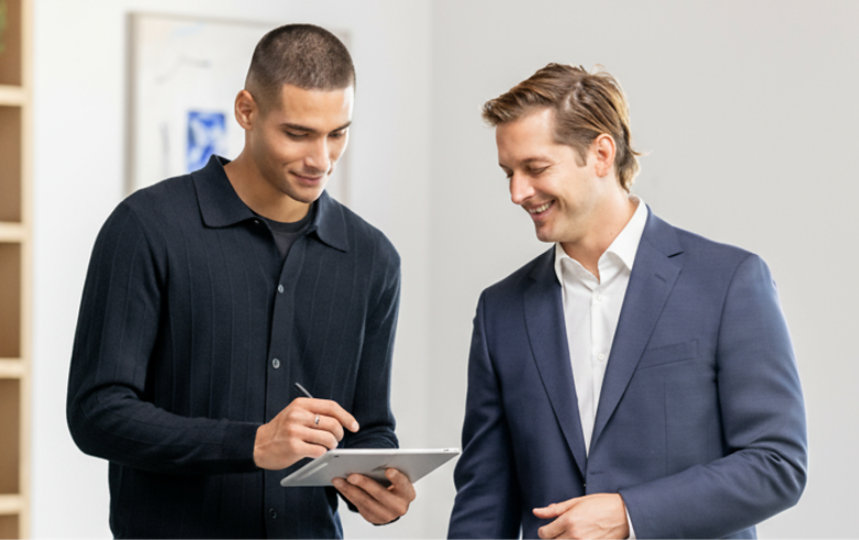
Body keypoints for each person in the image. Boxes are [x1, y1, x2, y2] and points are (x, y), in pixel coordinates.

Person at [67, 23, 415, 538]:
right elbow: (97, 413)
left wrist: (380, 485)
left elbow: (369, 426)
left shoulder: (373, 258)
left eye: (337, 133)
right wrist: (250, 444)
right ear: (246, 111)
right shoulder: (146, 227)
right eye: (298, 133)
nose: (321, 159)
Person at [447, 63, 807, 539]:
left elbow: (777, 464)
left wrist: (629, 514)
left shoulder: (728, 282)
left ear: (601, 154)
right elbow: (483, 500)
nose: (517, 192)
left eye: (535, 168)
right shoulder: (502, 310)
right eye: (508, 173)